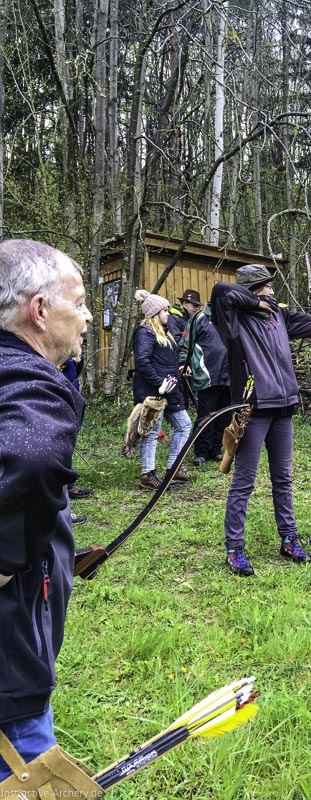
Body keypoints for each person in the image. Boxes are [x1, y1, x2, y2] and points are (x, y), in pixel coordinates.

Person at [210, 264, 311, 577]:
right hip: (253, 408)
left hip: (284, 406)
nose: (273, 292)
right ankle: (234, 548)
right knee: (244, 482)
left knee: (282, 478)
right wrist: (253, 302)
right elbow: (221, 291)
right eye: (267, 287)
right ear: (254, 289)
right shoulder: (233, 321)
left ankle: (288, 539)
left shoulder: (279, 316)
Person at [0, 238, 92, 779]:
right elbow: (31, 463)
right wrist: (8, 559)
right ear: (39, 310)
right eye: (77, 301)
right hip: (9, 681)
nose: (86, 316)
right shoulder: (30, 381)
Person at [133, 289, 193, 489]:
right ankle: (147, 475)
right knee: (151, 432)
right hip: (154, 391)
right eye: (164, 311)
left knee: (184, 425)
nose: (168, 313)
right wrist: (159, 382)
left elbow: (164, 360)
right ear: (154, 313)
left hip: (171, 390)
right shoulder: (145, 332)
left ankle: (174, 468)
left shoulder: (165, 334)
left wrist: (178, 369)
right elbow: (142, 362)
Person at [178, 297, 230, 466]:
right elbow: (185, 343)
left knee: (224, 416)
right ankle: (201, 451)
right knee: (206, 415)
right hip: (207, 375)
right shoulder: (199, 319)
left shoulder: (231, 319)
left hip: (228, 375)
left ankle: (216, 449)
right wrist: (182, 363)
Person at [59, 357, 93, 520]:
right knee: (57, 449)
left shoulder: (70, 347)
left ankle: (69, 486)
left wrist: (77, 359)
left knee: (68, 446)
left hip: (72, 395)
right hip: (57, 399)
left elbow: (77, 369)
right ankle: (62, 511)